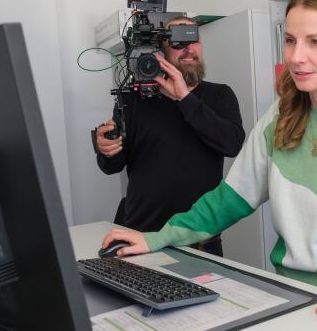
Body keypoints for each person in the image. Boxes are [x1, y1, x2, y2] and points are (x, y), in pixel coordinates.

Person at [101, 0, 317, 329]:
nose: (295, 57)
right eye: (290, 40)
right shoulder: (281, 117)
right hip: (296, 296)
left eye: (315, 41)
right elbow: (228, 200)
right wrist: (157, 237)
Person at [95, 16, 245, 257]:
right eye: (177, 42)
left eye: (193, 40)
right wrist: (105, 150)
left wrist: (184, 98)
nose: (188, 49)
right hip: (141, 238)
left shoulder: (220, 95)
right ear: (161, 51)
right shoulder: (133, 100)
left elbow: (232, 144)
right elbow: (113, 165)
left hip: (201, 241)